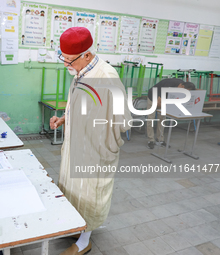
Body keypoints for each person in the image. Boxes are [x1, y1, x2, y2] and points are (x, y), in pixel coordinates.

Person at [50, 27, 131, 255]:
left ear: (86, 54)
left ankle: (85, 241)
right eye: (63, 59)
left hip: (95, 151)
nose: (66, 65)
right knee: (72, 189)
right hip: (76, 146)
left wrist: (102, 144)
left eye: (70, 60)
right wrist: (65, 119)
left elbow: (123, 120)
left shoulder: (107, 77)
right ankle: (77, 225)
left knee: (89, 193)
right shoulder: (81, 71)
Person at [146, 79, 196, 149]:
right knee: (151, 118)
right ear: (182, 86)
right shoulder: (169, 84)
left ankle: (160, 139)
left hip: (164, 99)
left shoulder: (182, 84)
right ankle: (150, 140)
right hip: (153, 97)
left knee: (162, 119)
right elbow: (159, 101)